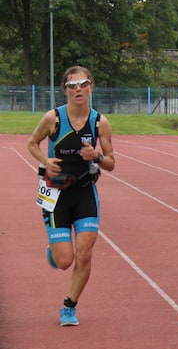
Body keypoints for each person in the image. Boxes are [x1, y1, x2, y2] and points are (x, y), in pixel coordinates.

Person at [27, 66, 115, 326]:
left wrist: (96, 156)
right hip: (56, 195)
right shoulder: (53, 118)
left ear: (91, 87)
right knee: (65, 261)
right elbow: (32, 143)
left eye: (84, 83)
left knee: (85, 252)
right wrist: (45, 160)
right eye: (73, 85)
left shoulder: (100, 122)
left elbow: (111, 162)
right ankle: (54, 251)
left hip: (85, 193)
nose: (79, 89)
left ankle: (69, 306)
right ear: (65, 89)